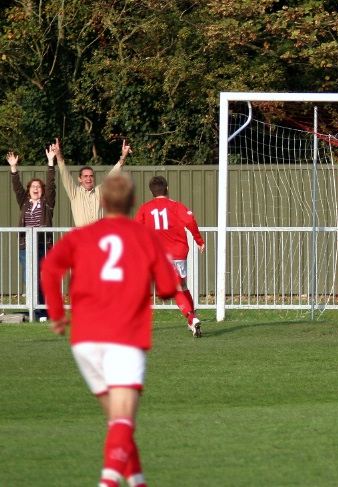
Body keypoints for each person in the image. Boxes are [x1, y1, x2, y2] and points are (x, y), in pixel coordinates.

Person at [40, 172, 180, 487]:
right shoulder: (143, 237)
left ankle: (138, 481)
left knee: (117, 423)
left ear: (102, 202)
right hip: (125, 337)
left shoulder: (81, 236)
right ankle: (108, 482)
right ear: (133, 203)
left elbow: (49, 268)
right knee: (123, 421)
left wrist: (56, 313)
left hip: (85, 340)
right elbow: (170, 286)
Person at [134, 176, 206, 337]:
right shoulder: (176, 206)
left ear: (151, 192)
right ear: (167, 189)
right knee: (182, 286)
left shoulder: (145, 209)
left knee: (176, 288)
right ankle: (192, 321)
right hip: (179, 252)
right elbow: (190, 221)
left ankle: (191, 317)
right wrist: (199, 240)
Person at [8, 145, 57, 321]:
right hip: (25, 247)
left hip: (43, 246)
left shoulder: (47, 204)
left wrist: (51, 162)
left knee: (42, 280)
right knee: (30, 279)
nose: (36, 189)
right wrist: (14, 168)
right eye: (33, 187)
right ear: (29, 191)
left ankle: (43, 312)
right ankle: (35, 312)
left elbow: (51, 185)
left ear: (42, 191)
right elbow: (17, 188)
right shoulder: (25, 203)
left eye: (39, 187)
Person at [56, 138, 131, 227]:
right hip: (82, 236)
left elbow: (112, 176)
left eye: (91, 176)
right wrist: (58, 155)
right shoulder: (75, 193)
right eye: (85, 176)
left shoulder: (99, 191)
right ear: (80, 179)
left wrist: (123, 157)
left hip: (98, 235)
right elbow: (65, 176)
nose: (89, 179)